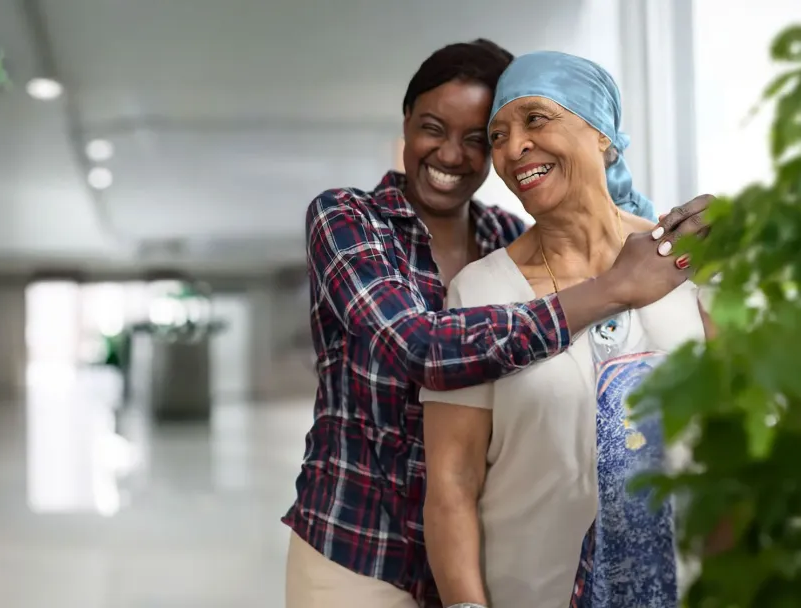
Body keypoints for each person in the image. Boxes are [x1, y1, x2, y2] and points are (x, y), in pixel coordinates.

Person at [283, 39, 712, 608]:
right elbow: (423, 352)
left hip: (483, 550)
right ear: (406, 125)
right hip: (363, 546)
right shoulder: (348, 220)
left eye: (477, 139)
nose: (453, 154)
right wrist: (613, 289)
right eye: (434, 128)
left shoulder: (505, 235)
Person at [418, 51, 713, 608]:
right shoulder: (481, 292)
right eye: (498, 135)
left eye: (536, 119)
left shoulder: (689, 260)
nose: (512, 148)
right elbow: (452, 486)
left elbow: (740, 442)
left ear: (602, 135)